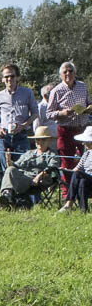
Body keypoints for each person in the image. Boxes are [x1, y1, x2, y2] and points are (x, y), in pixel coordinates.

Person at [45, 61, 90, 201]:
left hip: (83, 130)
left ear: (75, 72)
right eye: (65, 72)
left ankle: (85, 191)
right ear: (60, 75)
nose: (68, 74)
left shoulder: (82, 86)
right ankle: (68, 193)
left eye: (70, 71)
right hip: (66, 130)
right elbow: (49, 113)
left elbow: (89, 102)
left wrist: (88, 108)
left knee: (88, 160)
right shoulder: (56, 90)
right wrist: (63, 113)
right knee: (67, 162)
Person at [0, 64, 39, 174]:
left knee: (23, 166)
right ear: (3, 79)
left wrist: (24, 126)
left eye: (12, 76)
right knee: (4, 167)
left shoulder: (27, 93)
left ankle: (22, 190)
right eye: (6, 77)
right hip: (4, 136)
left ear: (17, 77)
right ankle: (6, 190)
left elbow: (35, 113)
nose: (9, 79)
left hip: (21, 135)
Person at [0, 127, 59, 210]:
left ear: (49, 140)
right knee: (10, 169)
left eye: (43, 140)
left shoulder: (52, 154)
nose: (40, 142)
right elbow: (15, 166)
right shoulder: (29, 153)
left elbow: (52, 168)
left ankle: (5, 199)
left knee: (10, 171)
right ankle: (7, 195)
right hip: (24, 178)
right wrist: (9, 161)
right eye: (38, 140)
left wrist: (38, 177)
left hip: (37, 181)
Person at [58, 127, 92, 213]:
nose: (83, 143)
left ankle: (69, 203)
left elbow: (77, 172)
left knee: (78, 175)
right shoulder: (87, 153)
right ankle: (83, 210)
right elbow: (76, 169)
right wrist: (65, 170)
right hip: (88, 181)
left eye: (86, 141)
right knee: (82, 181)